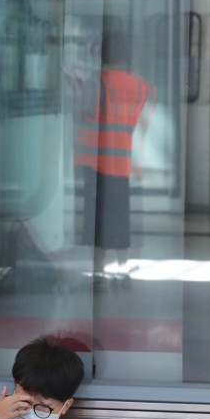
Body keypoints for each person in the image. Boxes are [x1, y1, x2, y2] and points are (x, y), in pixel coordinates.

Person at [73, 29, 156, 284]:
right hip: (126, 162)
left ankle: (99, 268)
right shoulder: (144, 87)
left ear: (101, 54)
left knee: (97, 216)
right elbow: (141, 122)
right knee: (121, 215)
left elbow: (83, 113)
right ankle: (124, 265)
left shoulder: (95, 85)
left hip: (95, 162)